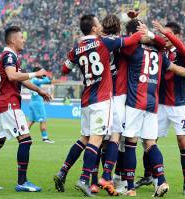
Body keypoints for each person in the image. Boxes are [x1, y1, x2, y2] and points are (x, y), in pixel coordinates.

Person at [54, 14, 146, 197]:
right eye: (98, 23)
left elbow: (64, 69)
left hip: (86, 98)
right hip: (102, 99)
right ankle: (84, 179)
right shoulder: (103, 42)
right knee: (98, 140)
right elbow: (133, 39)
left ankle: (63, 171)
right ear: (95, 28)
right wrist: (143, 31)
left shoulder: (76, 47)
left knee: (84, 139)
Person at [121, 19, 185, 197]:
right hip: (156, 103)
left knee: (132, 142)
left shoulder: (176, 51)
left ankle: (130, 188)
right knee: (150, 142)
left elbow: (124, 41)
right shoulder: (160, 51)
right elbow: (170, 64)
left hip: (166, 103)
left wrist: (140, 31)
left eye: (168, 34)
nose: (164, 37)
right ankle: (155, 178)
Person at [0, 26, 51, 192]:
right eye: (21, 37)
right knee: (26, 140)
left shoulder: (8, 56)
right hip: (10, 103)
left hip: (1, 104)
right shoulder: (9, 55)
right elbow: (12, 76)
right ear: (12, 40)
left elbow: (19, 78)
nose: (23, 40)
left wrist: (39, 90)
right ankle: (22, 182)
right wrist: (35, 73)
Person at [27, 67, 55, 144]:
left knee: (31, 121)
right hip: (38, 104)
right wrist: (44, 75)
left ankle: (23, 136)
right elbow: (47, 81)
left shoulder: (32, 80)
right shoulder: (35, 80)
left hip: (32, 102)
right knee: (43, 120)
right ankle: (45, 138)